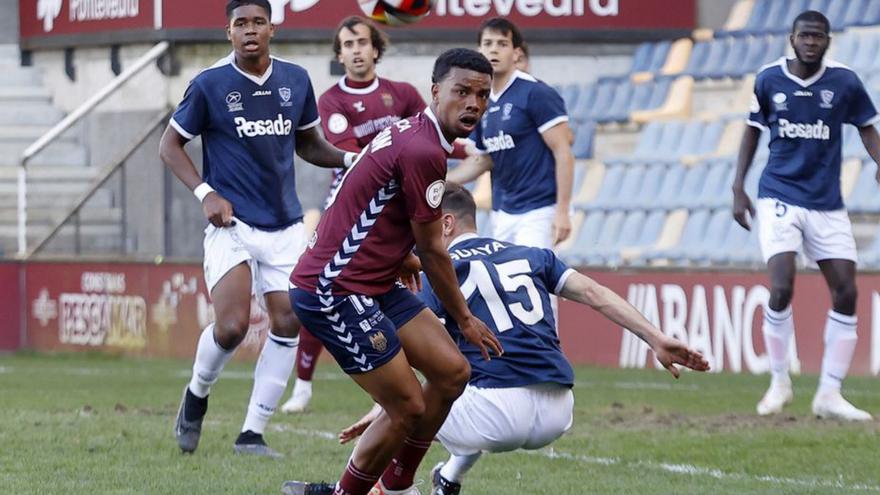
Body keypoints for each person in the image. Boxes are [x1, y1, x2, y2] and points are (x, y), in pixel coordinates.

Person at [336, 183, 710, 495]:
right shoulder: (532, 255)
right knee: (466, 375)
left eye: (421, 223)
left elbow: (415, 350)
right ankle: (449, 477)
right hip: (559, 410)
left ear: (445, 223)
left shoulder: (438, 269)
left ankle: (382, 488)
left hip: (491, 415)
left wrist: (385, 410)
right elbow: (595, 293)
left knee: (433, 387)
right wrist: (656, 338)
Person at [281, 49, 503, 495]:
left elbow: (366, 199)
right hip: (334, 289)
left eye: (482, 94)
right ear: (436, 91)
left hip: (373, 280)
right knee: (406, 406)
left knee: (452, 372)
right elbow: (432, 247)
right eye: (462, 92)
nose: (474, 104)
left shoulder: (413, 134)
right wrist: (463, 317)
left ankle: (396, 485)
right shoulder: (423, 149)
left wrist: (393, 253)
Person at [159, 0, 358, 457]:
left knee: (289, 320)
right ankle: (196, 395)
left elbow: (308, 143)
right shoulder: (209, 85)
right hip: (233, 225)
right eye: (240, 24)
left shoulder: (295, 80)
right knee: (230, 327)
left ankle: (252, 434)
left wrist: (350, 158)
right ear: (228, 32)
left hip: (285, 225)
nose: (250, 30)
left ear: (272, 28)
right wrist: (205, 193)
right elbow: (169, 146)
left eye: (258, 22)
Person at [733, 10, 880, 421]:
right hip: (779, 195)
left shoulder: (845, 82)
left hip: (827, 203)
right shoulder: (769, 79)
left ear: (828, 41)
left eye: (818, 36)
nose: (811, 42)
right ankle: (779, 381)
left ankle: (829, 394)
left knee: (847, 292)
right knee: (781, 287)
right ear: (792, 38)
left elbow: (867, 126)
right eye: (805, 36)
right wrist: (737, 186)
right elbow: (751, 130)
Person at [281, 15, 428, 415]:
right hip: (349, 212)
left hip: (398, 207)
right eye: (347, 45)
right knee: (324, 291)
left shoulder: (403, 94)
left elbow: (427, 139)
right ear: (339, 55)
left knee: (410, 288)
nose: (356, 50)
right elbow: (354, 159)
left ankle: (420, 370)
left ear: (376, 48)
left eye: (362, 42)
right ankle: (304, 385)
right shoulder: (331, 101)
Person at [447, 17, 575, 250]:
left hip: (539, 210)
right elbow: (484, 160)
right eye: (487, 43)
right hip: (503, 211)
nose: (493, 49)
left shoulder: (535, 92)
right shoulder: (480, 101)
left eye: (501, 44)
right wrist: (443, 181)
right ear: (479, 51)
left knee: (529, 276)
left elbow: (563, 151)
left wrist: (563, 211)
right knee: (510, 283)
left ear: (516, 53)